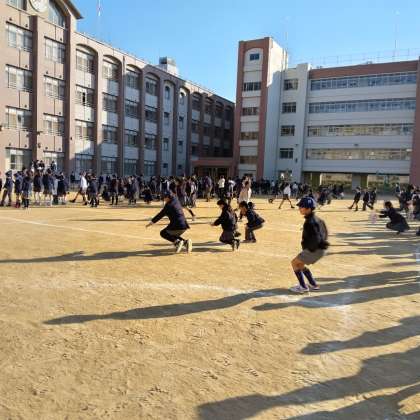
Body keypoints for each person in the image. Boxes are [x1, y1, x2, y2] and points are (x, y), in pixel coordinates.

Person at [290, 197, 330, 294]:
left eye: (301, 207)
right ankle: (313, 284)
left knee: (294, 263)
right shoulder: (317, 219)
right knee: (300, 264)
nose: (299, 208)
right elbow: (325, 233)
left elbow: (315, 238)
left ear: (308, 209)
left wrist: (309, 249)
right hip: (321, 249)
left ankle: (303, 287)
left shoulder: (310, 222)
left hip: (315, 249)